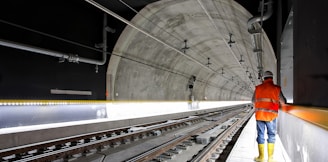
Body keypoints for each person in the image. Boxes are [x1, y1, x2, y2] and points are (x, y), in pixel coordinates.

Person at [252, 71, 286, 162]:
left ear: (264, 78)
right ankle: (270, 159)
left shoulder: (258, 88)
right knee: (271, 134)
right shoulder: (276, 88)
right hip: (271, 116)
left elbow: (253, 101)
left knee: (260, 134)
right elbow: (283, 102)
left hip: (260, 115)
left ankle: (261, 157)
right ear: (272, 78)